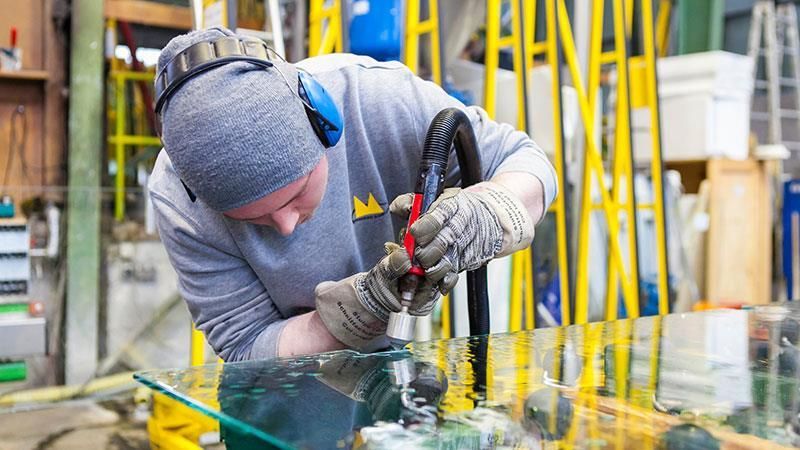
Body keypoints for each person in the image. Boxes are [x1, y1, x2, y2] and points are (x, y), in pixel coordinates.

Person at [149, 27, 557, 361]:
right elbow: (245, 345)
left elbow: (528, 164)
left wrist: (489, 211)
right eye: (254, 219)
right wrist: (354, 314)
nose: (287, 226)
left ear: (325, 125)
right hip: (283, 401)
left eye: (297, 193)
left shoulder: (376, 100)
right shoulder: (179, 202)